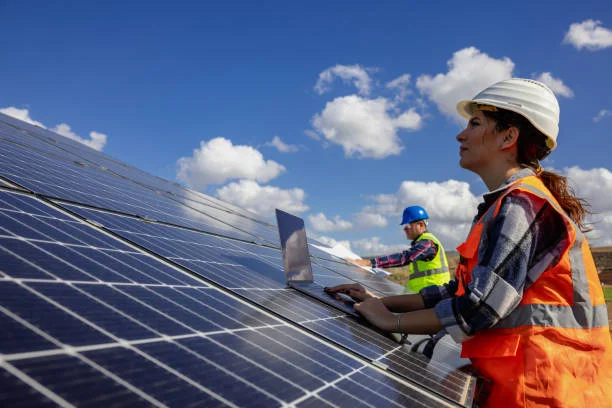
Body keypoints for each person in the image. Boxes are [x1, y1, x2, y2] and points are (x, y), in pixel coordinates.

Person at [326, 78, 611, 407]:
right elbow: (457, 292)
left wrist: (391, 321)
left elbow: (478, 308)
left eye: (474, 123)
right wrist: (383, 302)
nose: (461, 135)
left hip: (548, 390)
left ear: (508, 136)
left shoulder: (522, 206)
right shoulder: (504, 206)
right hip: (530, 383)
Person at [350, 205, 451, 293]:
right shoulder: (422, 243)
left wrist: (368, 263)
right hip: (421, 296)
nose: (405, 229)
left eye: (408, 225)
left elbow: (404, 257)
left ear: (420, 225)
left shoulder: (427, 243)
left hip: (433, 297)